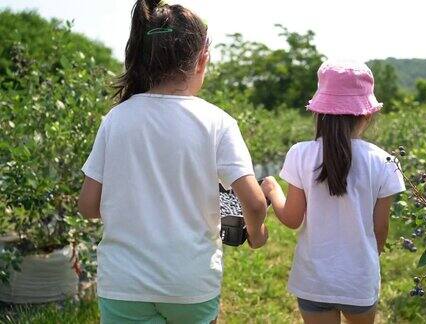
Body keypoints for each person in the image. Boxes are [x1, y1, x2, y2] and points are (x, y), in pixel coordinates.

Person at [77, 1, 268, 323]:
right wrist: (257, 232)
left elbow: (88, 206)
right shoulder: (217, 122)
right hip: (190, 284)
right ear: (201, 60)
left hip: (124, 284)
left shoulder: (116, 119)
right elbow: (254, 201)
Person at [261, 60, 406, 324]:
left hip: (314, 280)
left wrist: (271, 189)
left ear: (318, 112)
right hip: (359, 281)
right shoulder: (385, 162)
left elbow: (292, 219)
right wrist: (366, 259)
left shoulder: (301, 153)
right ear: (367, 115)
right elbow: (380, 228)